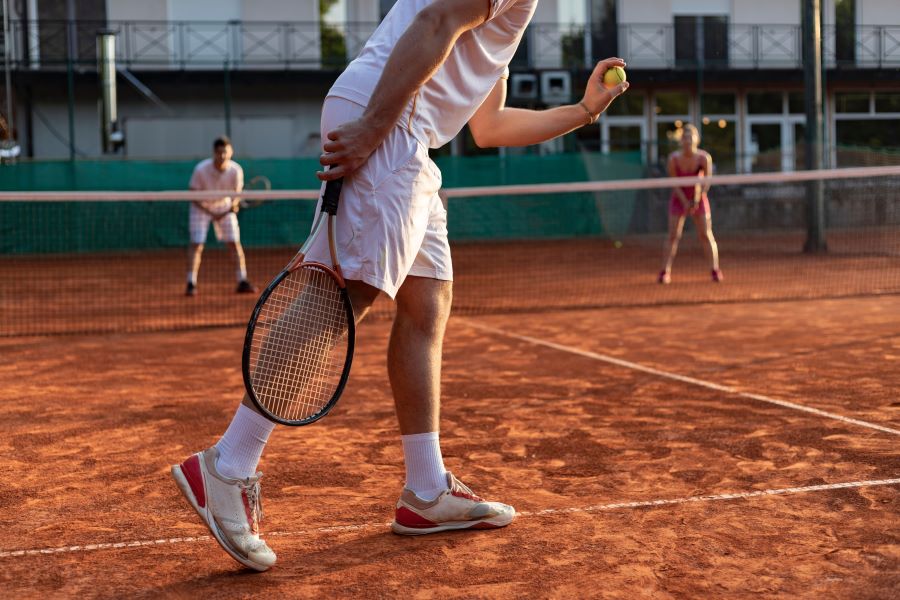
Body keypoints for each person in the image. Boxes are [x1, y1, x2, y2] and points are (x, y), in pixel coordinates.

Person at [171, 0, 629, 572]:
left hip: (409, 131)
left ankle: (426, 489)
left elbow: (488, 125)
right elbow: (435, 21)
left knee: (426, 301)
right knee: (345, 291)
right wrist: (371, 127)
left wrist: (585, 111)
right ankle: (227, 466)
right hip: (391, 118)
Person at [185, 136, 257, 296]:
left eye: (225, 152)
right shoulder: (201, 169)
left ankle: (242, 281)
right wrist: (210, 212)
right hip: (201, 208)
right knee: (197, 244)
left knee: (234, 243)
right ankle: (191, 283)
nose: (222, 156)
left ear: (230, 152)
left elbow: (236, 195)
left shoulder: (236, 170)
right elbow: (192, 194)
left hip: (224, 206)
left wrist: (230, 207)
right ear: (214, 153)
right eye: (219, 153)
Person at [658, 123, 722, 284]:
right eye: (684, 137)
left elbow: (706, 182)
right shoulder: (673, 159)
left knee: (706, 234)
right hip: (679, 198)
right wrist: (685, 202)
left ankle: (715, 270)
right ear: (681, 140)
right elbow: (674, 183)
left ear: (696, 139)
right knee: (673, 235)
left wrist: (696, 198)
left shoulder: (704, 158)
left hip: (699, 198)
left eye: (690, 136)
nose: (687, 140)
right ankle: (665, 271)